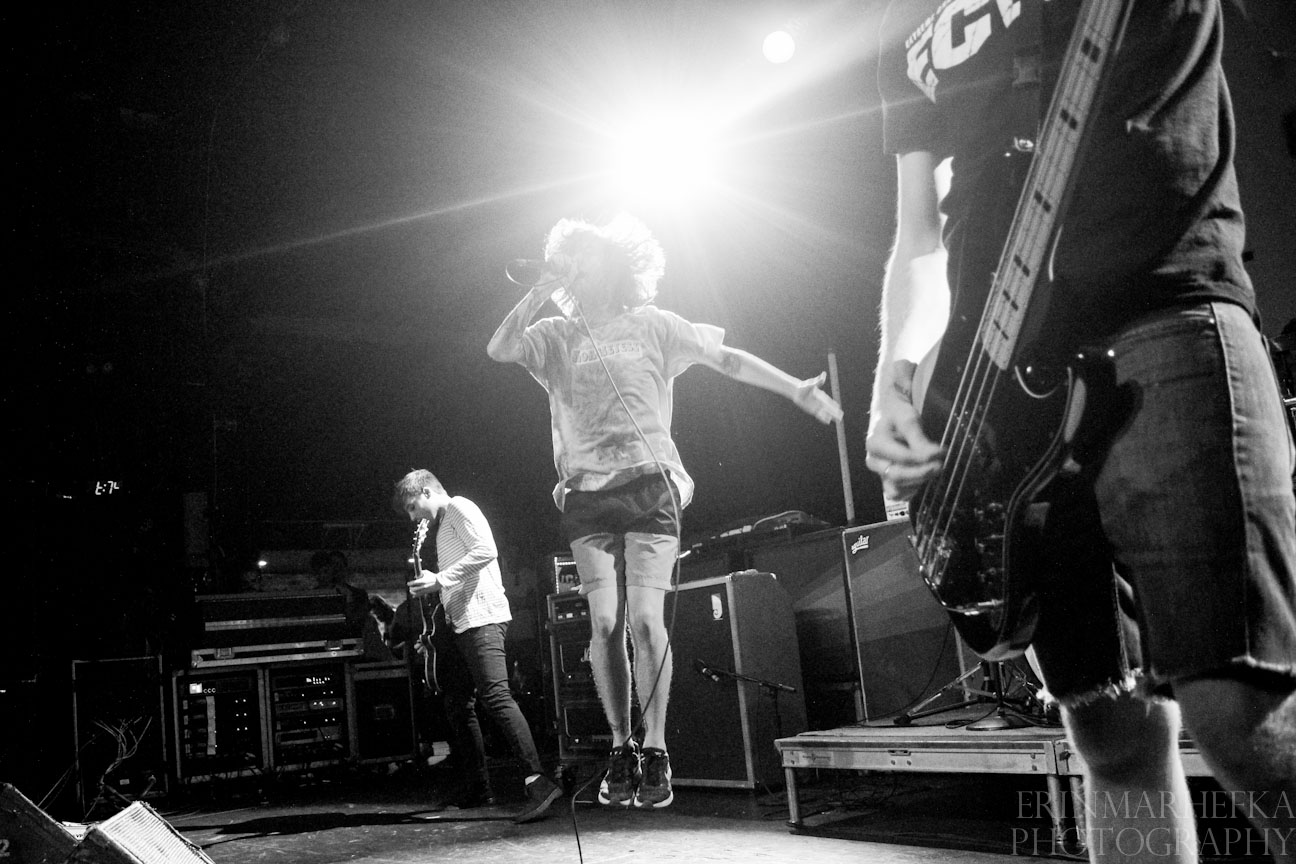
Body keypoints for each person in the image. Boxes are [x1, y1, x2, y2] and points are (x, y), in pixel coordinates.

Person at [866, 2, 1295, 862]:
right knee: (1108, 730)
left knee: (1242, 719)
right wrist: (893, 379)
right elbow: (920, 230)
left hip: (1164, 308)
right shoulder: (902, 23)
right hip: (1007, 382)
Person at [487, 213, 841, 810]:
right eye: (569, 256)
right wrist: (539, 290)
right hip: (586, 496)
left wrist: (795, 389)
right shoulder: (554, 336)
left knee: (646, 623)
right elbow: (499, 348)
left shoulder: (654, 325)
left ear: (611, 263)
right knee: (604, 625)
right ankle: (620, 746)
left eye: (585, 253)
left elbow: (727, 358)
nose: (577, 264)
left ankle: (656, 749)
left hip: (651, 489)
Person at [391, 468, 562, 824]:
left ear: (426, 492)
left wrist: (440, 579)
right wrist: (433, 634)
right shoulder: (442, 527)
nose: (412, 517)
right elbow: (453, 582)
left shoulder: (460, 507)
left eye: (411, 507)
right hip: (460, 623)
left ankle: (539, 781)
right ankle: (478, 785)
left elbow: (486, 550)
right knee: (457, 704)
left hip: (483, 618)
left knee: (496, 696)